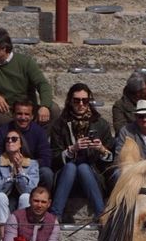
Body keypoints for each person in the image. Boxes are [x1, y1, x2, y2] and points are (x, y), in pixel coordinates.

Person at [49, 85, 114, 219]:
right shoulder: (59, 124)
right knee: (71, 167)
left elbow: (111, 159)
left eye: (84, 100)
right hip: (66, 178)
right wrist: (71, 150)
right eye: (76, 100)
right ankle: (55, 217)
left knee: (83, 167)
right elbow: (54, 158)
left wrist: (101, 150)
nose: (81, 104)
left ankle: (101, 214)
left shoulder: (101, 124)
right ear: (70, 101)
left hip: (93, 178)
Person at [0, 29, 52, 133]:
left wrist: (45, 106)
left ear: (3, 48)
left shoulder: (26, 63)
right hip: (4, 114)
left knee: (54, 109)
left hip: (27, 112)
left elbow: (42, 84)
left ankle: (43, 143)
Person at [0, 100, 54, 187]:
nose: (23, 117)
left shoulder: (39, 132)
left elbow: (46, 160)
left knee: (47, 173)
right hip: (6, 173)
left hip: (30, 174)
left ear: (32, 116)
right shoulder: (2, 131)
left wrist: (24, 163)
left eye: (27, 114)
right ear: (13, 115)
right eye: (19, 114)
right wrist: (11, 163)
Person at [0, 129, 40, 223]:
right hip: (0, 209)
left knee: (26, 197)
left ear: (21, 144)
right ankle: (4, 236)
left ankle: (22, 236)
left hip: (23, 207)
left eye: (14, 139)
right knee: (0, 196)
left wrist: (19, 169)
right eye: (7, 140)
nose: (10, 141)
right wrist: (10, 176)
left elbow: (30, 191)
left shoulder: (32, 164)